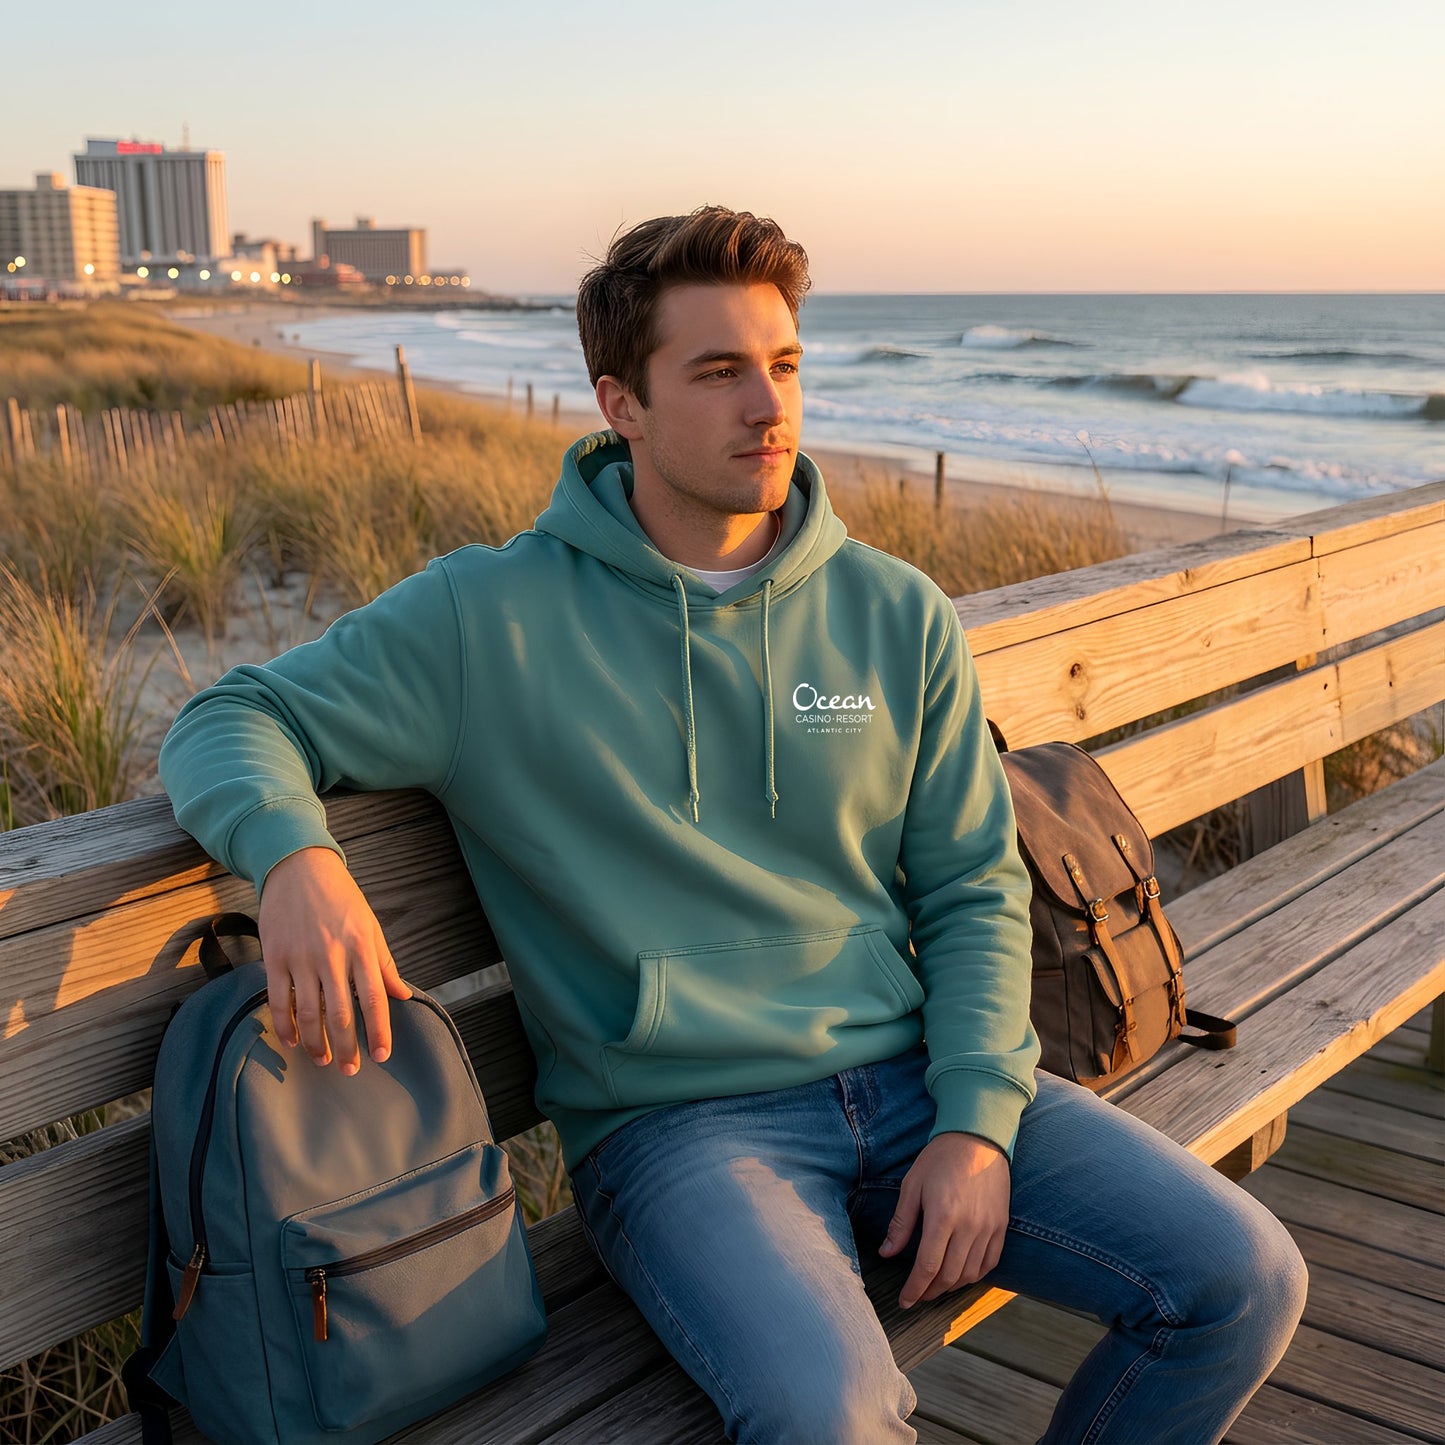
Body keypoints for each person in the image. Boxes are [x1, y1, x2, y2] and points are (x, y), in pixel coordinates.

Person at [160, 206, 1306, 1444]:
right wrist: (297, 861)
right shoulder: (483, 620)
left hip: (919, 1076)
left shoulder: (891, 613)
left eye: (783, 364)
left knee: (1240, 1278)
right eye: (716, 372)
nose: (766, 406)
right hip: (680, 1127)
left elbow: (974, 890)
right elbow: (232, 714)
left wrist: (976, 1123)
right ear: (621, 402)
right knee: (833, 1414)